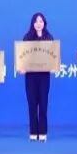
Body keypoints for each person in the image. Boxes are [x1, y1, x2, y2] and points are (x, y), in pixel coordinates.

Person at [23, 12, 53, 142]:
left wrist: (53, 66)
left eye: (41, 21)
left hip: (44, 76)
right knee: (32, 104)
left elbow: (53, 56)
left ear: (44, 23)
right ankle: (33, 132)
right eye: (36, 21)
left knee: (43, 104)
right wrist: (22, 67)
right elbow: (23, 56)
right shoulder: (27, 38)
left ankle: (43, 132)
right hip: (30, 76)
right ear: (33, 23)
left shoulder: (49, 38)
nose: (39, 24)